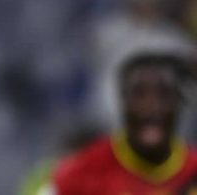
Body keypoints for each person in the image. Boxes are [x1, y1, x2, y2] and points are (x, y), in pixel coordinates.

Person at [49, 52, 197, 194]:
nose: (151, 108)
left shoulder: (193, 171)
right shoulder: (80, 174)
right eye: (139, 94)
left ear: (180, 102)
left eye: (163, 94)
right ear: (122, 101)